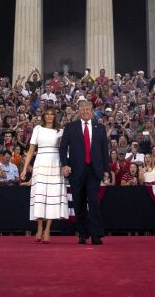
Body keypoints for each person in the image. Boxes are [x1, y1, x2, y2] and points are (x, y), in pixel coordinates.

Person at [59, 98, 110, 245]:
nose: (85, 112)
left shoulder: (100, 128)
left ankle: (96, 235)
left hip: (94, 171)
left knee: (93, 202)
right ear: (79, 112)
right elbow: (63, 148)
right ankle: (82, 233)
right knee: (79, 203)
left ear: (92, 112)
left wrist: (106, 169)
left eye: (88, 110)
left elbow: (104, 151)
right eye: (83, 110)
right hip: (76, 171)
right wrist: (65, 164)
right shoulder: (70, 127)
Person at [21, 107, 68, 244]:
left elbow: (64, 150)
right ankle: (39, 227)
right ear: (43, 116)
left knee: (52, 197)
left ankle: (48, 229)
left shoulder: (60, 131)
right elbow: (30, 151)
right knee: (40, 196)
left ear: (55, 116)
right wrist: (24, 169)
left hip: (55, 164)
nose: (49, 116)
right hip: (40, 163)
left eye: (52, 114)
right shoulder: (37, 129)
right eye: (47, 114)